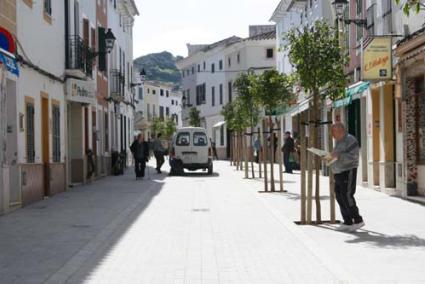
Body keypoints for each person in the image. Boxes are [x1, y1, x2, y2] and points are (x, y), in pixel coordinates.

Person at [325, 122, 364, 232]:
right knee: (339, 196)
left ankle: (358, 220)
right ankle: (347, 221)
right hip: (338, 172)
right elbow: (336, 156)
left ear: (340, 130)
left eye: (333, 132)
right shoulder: (338, 141)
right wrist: (329, 158)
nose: (332, 135)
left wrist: (338, 155)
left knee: (347, 196)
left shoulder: (350, 140)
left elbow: (354, 156)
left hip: (348, 171)